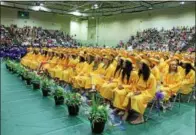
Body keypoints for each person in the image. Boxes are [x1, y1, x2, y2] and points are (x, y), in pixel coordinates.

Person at [122, 59, 156, 124]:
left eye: (140, 64)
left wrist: (140, 92)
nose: (138, 65)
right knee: (129, 95)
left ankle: (141, 118)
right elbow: (134, 84)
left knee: (137, 98)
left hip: (147, 94)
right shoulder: (139, 74)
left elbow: (152, 90)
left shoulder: (151, 77)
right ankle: (126, 113)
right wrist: (135, 91)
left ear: (145, 66)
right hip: (137, 91)